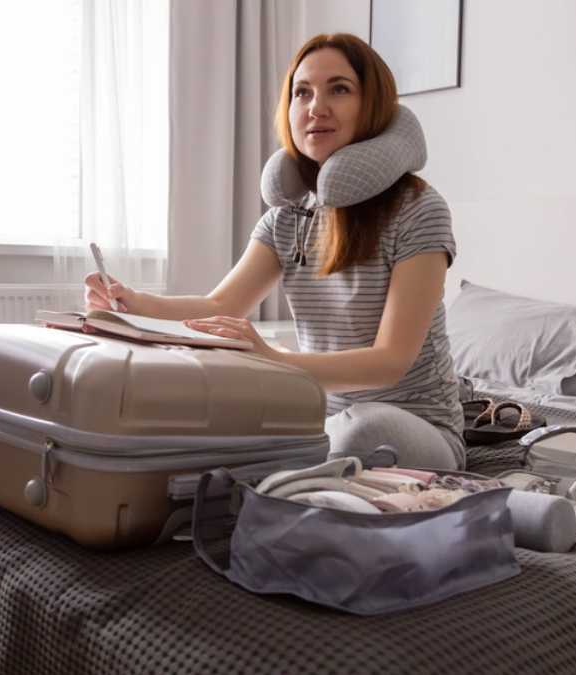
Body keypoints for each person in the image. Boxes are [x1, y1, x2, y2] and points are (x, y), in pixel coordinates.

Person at [83, 33, 464, 470]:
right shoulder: (289, 218)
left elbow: (390, 362)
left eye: (339, 89)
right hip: (319, 419)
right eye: (302, 92)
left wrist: (275, 360)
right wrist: (132, 303)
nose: (315, 107)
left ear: (372, 105)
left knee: (361, 432)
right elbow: (220, 305)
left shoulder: (419, 210)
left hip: (415, 425)